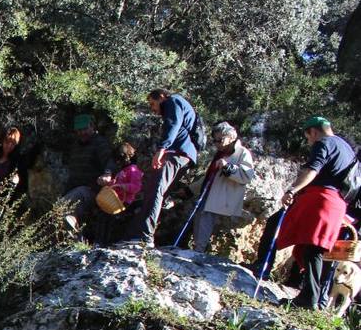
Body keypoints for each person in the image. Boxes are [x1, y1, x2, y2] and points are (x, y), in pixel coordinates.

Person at [278, 116, 357, 309]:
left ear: (313, 132)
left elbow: (312, 170)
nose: (309, 142)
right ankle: (310, 296)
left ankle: (309, 299)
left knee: (312, 248)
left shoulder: (324, 143)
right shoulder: (347, 149)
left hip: (322, 200)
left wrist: (292, 190)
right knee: (316, 250)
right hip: (338, 203)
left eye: (308, 137)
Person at [138, 88, 200, 246]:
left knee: (156, 189)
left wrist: (161, 149)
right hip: (185, 154)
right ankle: (145, 234)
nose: (152, 108)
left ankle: (145, 237)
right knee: (159, 191)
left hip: (177, 153)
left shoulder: (173, 101)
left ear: (161, 97)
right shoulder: (178, 103)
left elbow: (173, 125)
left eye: (152, 103)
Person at [190, 122, 256, 253]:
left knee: (205, 220)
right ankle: (197, 251)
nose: (217, 144)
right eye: (214, 141)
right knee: (200, 219)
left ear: (231, 137)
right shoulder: (220, 153)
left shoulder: (242, 153)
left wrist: (227, 167)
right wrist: (190, 190)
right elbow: (209, 176)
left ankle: (199, 252)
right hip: (211, 194)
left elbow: (246, 176)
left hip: (224, 198)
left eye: (220, 140)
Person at [60, 115, 114, 232]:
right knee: (61, 208)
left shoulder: (100, 143)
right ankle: (76, 236)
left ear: (92, 126)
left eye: (85, 129)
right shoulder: (75, 146)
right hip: (76, 188)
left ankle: (73, 227)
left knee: (64, 205)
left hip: (92, 189)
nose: (82, 133)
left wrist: (108, 173)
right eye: (79, 130)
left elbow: (109, 160)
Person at [88, 142, 143, 246]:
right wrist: (109, 183)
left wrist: (123, 186)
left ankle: (104, 242)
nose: (117, 163)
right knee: (102, 216)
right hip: (114, 200)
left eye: (119, 160)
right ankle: (100, 241)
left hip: (124, 203)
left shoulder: (133, 170)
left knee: (109, 219)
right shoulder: (123, 170)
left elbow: (136, 187)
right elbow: (116, 183)